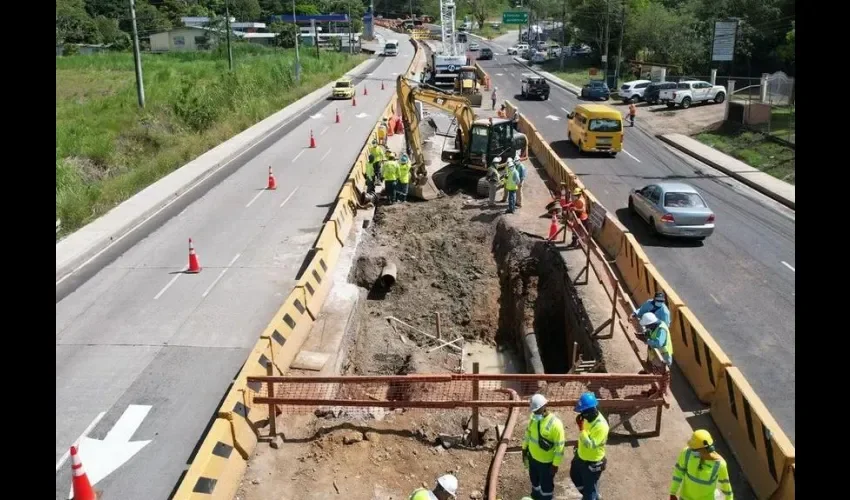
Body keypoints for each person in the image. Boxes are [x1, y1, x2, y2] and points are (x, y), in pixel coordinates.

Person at [522, 394, 566, 500]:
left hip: (546, 464)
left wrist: (555, 465)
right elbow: (528, 435)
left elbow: (560, 448)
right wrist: (524, 449)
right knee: (535, 482)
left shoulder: (555, 424)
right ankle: (535, 496)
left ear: (544, 406)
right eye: (534, 411)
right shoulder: (533, 419)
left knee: (546, 488)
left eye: (537, 410)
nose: (535, 413)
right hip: (533, 459)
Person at [670, 430, 734, 500]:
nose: (691, 450)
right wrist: (672, 492)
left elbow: (726, 486)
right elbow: (678, 473)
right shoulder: (686, 453)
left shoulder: (720, 465)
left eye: (694, 450)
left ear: (705, 449)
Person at [570, 392, 609, 500]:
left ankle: (591, 495)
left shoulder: (601, 426)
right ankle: (593, 495)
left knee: (589, 491)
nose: (581, 414)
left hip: (592, 461)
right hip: (581, 455)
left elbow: (590, 445)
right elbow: (586, 434)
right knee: (574, 475)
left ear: (590, 411)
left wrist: (581, 428)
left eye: (583, 412)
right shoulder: (588, 418)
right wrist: (579, 444)